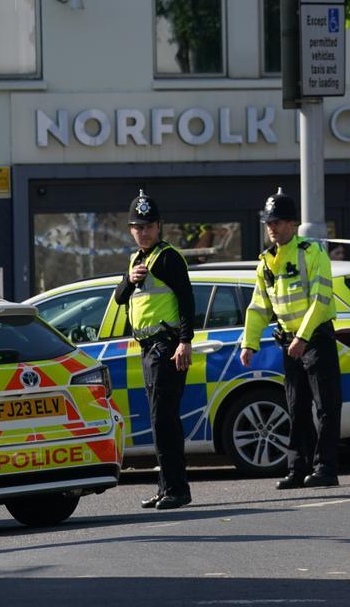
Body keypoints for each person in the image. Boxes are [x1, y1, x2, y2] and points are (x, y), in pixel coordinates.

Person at [239, 189, 341, 489]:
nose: (272, 228)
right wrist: (249, 342)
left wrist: (303, 336)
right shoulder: (266, 262)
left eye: (279, 222)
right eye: (269, 222)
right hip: (289, 342)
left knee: (326, 407)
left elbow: (321, 299)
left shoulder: (312, 251)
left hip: (316, 339)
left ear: (293, 224)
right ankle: (298, 469)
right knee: (296, 408)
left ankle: (326, 468)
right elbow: (258, 307)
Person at [113, 190, 195, 510]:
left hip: (167, 346)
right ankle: (165, 487)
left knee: (165, 419)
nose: (142, 231)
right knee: (159, 420)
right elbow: (120, 298)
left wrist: (186, 342)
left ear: (159, 226)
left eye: (148, 226)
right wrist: (129, 279)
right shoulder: (136, 260)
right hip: (147, 349)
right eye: (137, 226)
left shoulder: (168, 257)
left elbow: (187, 302)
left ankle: (177, 489)